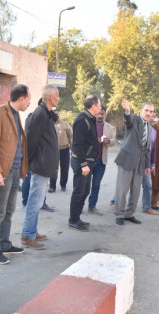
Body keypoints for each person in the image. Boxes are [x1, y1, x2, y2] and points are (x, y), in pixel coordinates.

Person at [0, 84, 31, 264]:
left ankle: (4, 244)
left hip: (15, 169)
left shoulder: (16, 114)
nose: (29, 102)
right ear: (21, 98)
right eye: (28, 99)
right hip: (3, 170)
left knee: (9, 210)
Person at [21, 85, 60, 250]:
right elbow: (31, 140)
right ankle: (27, 236)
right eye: (57, 95)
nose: (59, 98)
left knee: (37, 201)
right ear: (51, 98)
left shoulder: (46, 113)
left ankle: (31, 231)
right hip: (40, 164)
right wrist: (28, 163)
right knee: (35, 200)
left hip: (43, 164)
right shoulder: (40, 113)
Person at [113, 100, 153, 225]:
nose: (148, 113)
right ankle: (119, 214)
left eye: (151, 111)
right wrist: (127, 111)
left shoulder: (149, 127)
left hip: (140, 163)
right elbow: (128, 120)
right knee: (122, 189)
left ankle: (129, 214)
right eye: (146, 110)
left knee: (136, 191)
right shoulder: (134, 119)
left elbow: (147, 148)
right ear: (141, 111)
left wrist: (147, 165)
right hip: (127, 159)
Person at [68, 94, 102, 231]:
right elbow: (78, 144)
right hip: (82, 162)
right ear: (93, 106)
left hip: (88, 161)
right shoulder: (82, 120)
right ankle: (73, 220)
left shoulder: (90, 118)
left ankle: (77, 217)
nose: (100, 107)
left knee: (85, 190)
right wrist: (83, 164)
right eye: (99, 105)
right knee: (79, 191)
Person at [21, 99, 54, 212]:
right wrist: (28, 156)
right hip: (34, 154)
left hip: (43, 156)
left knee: (42, 182)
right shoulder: (34, 116)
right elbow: (30, 136)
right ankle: (26, 202)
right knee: (28, 178)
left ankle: (42, 202)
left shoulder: (47, 117)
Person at [88, 106, 116, 215]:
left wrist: (108, 141)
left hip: (101, 161)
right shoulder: (89, 124)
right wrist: (94, 140)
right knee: (85, 185)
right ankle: (79, 206)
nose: (100, 116)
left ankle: (92, 206)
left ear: (105, 114)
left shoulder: (109, 127)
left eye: (102, 114)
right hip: (89, 160)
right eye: (98, 113)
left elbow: (113, 141)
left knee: (96, 185)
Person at [49, 110, 72, 192]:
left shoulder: (65, 124)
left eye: (57, 114)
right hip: (53, 150)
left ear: (59, 114)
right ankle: (52, 186)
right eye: (54, 114)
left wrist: (72, 148)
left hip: (64, 149)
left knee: (65, 168)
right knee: (53, 168)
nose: (56, 116)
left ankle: (63, 185)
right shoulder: (49, 124)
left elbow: (71, 136)